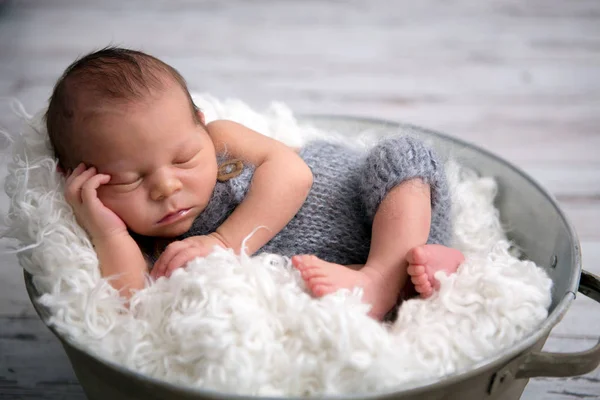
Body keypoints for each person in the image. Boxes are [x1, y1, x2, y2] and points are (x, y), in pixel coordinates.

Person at [47, 47, 464, 320]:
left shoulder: (223, 139)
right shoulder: (150, 243)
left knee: (402, 157)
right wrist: (107, 230)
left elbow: (293, 174)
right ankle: (417, 276)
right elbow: (132, 300)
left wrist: (226, 241)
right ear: (85, 180)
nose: (166, 187)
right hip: (341, 266)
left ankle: (381, 279)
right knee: (307, 289)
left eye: (183, 158)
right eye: (129, 179)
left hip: (380, 202)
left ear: (200, 123)